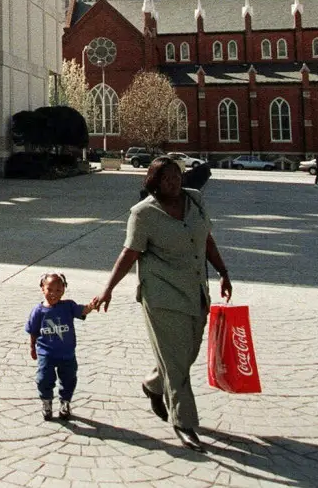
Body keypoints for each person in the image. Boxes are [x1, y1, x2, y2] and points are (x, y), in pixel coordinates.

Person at [90, 156, 232, 452]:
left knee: (186, 353)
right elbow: (129, 253)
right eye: (166, 178)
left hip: (195, 291)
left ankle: (154, 384)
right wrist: (108, 289)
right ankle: (184, 423)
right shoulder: (143, 214)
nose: (174, 182)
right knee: (177, 362)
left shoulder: (195, 201)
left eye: (177, 176)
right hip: (161, 296)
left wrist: (223, 272)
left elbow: (206, 239)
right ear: (153, 182)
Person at [25, 272, 93, 421]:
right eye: (50, 290)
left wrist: (92, 305)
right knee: (43, 379)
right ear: (42, 288)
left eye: (58, 290)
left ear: (64, 289)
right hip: (46, 354)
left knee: (69, 379)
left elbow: (82, 310)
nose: (54, 294)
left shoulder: (68, 306)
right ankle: (46, 402)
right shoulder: (38, 311)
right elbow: (33, 331)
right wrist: (32, 348)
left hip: (67, 354)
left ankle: (65, 402)